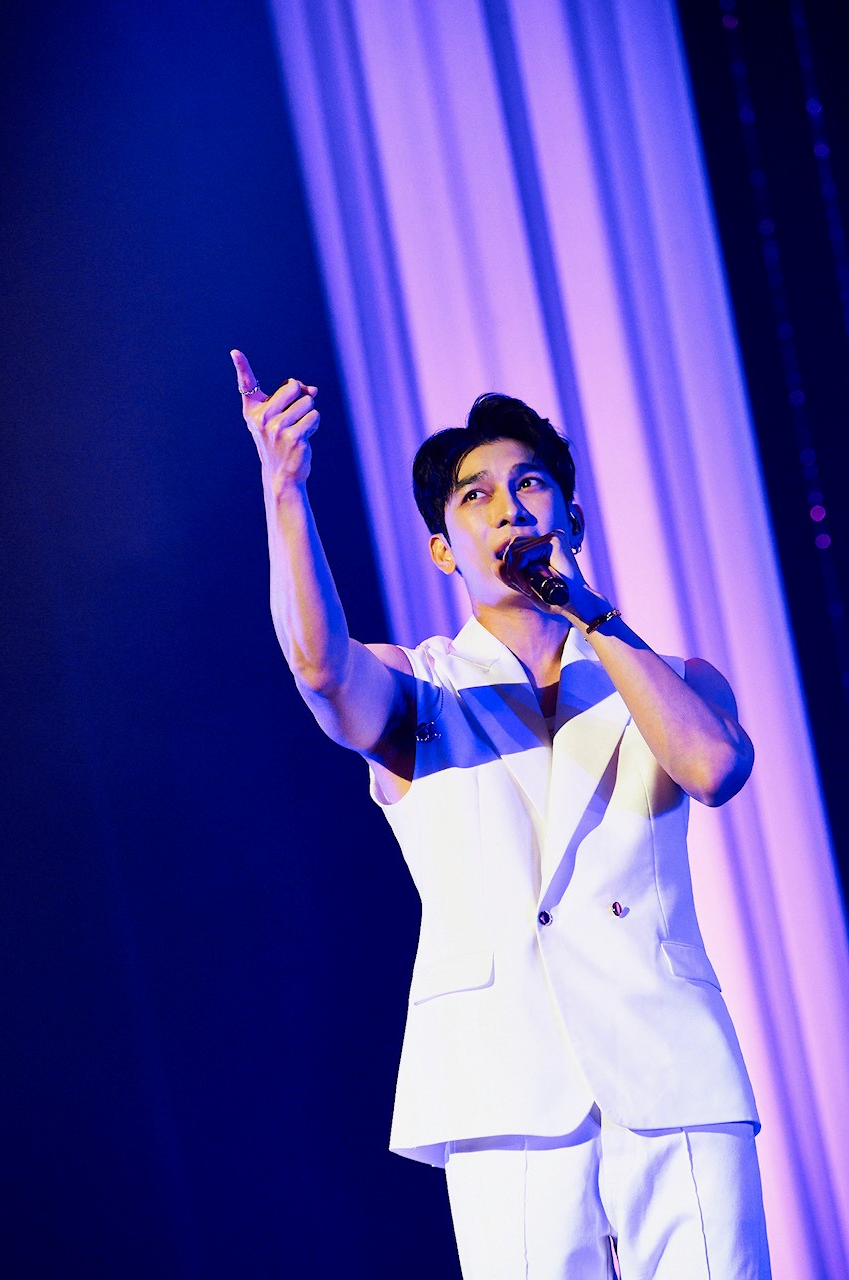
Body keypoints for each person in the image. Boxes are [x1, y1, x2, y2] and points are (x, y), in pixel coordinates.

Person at [231, 350, 771, 1279]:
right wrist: (285, 490)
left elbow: (714, 768)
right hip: (504, 1091)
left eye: (529, 485)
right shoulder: (422, 687)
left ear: (572, 519)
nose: (509, 509)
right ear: (444, 550)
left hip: (675, 1076)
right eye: (475, 496)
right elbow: (321, 669)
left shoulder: (670, 680)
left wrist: (591, 612)